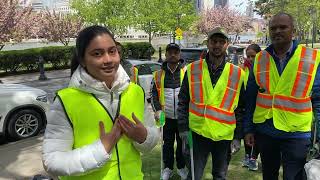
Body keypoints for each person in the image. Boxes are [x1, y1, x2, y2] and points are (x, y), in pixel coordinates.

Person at [42, 25, 159, 180]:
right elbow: (52, 161)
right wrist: (101, 149)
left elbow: (152, 137)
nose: (108, 60)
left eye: (112, 51)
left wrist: (143, 136)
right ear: (83, 60)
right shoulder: (65, 101)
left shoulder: (136, 92)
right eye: (97, 54)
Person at [243, 13, 320, 180]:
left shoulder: (311, 58)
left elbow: (319, 100)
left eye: (283, 27)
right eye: (273, 28)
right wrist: (248, 128)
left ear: (293, 31)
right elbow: (250, 97)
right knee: (269, 176)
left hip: (296, 134)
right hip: (265, 131)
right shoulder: (260, 58)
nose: (277, 31)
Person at [177, 27, 245, 180]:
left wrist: (237, 136)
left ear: (227, 44)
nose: (217, 45)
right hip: (197, 133)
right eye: (214, 41)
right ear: (208, 43)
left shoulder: (237, 73)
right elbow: (183, 101)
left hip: (224, 136)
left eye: (222, 42)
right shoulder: (193, 69)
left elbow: (240, 108)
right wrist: (183, 129)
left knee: (220, 176)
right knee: (194, 175)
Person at [151, 43, 188, 180]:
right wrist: (158, 110)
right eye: (170, 52)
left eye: (176, 52)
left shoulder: (186, 72)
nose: (173, 55)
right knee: (167, 144)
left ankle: (181, 167)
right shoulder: (158, 74)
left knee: (182, 144)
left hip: (182, 117)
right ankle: (167, 168)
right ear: (165, 55)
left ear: (179, 55)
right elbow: (154, 94)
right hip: (165, 118)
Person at [240, 44, 262, 171]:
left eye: (252, 56)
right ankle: (247, 156)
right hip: (246, 105)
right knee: (247, 132)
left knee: (257, 133)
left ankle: (254, 158)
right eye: (248, 56)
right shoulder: (243, 69)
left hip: (258, 106)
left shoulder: (261, 70)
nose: (250, 58)